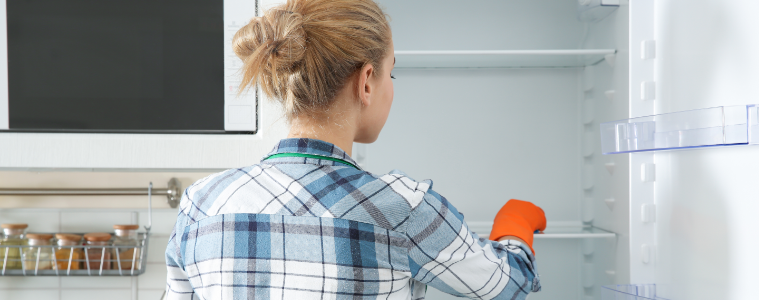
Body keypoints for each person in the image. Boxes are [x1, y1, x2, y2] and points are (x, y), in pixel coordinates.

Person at [165, 0, 546, 299]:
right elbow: (506, 284)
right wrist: (517, 223)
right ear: (366, 82)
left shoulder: (201, 204)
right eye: (390, 72)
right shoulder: (401, 210)